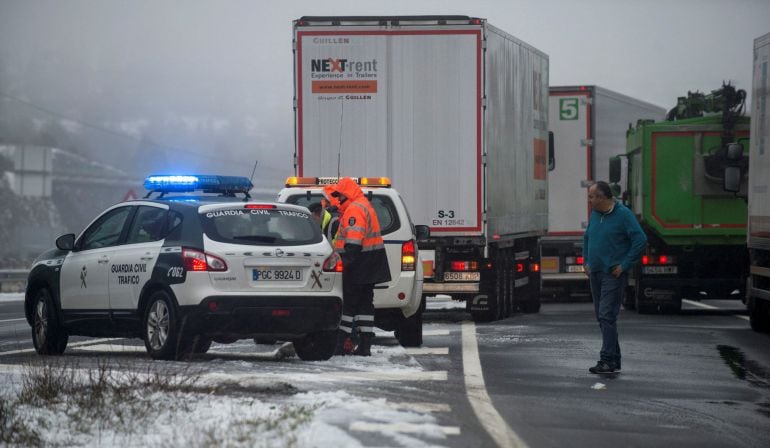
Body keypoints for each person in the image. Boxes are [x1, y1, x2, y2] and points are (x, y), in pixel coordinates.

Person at [583, 180, 647, 374]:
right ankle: (614, 359)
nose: (590, 201)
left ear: (602, 197)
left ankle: (607, 359)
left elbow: (640, 240)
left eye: (592, 197)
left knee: (606, 315)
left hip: (612, 273)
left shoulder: (623, 215)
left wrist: (625, 264)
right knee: (602, 317)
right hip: (595, 271)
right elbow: (587, 237)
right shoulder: (596, 214)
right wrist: (586, 260)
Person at [329, 177, 391, 356]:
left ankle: (341, 344)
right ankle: (365, 346)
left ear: (346, 194)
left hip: (358, 263)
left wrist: (345, 263)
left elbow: (354, 241)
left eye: (339, 196)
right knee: (365, 305)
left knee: (348, 305)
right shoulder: (363, 205)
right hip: (370, 263)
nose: (338, 200)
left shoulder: (354, 209)